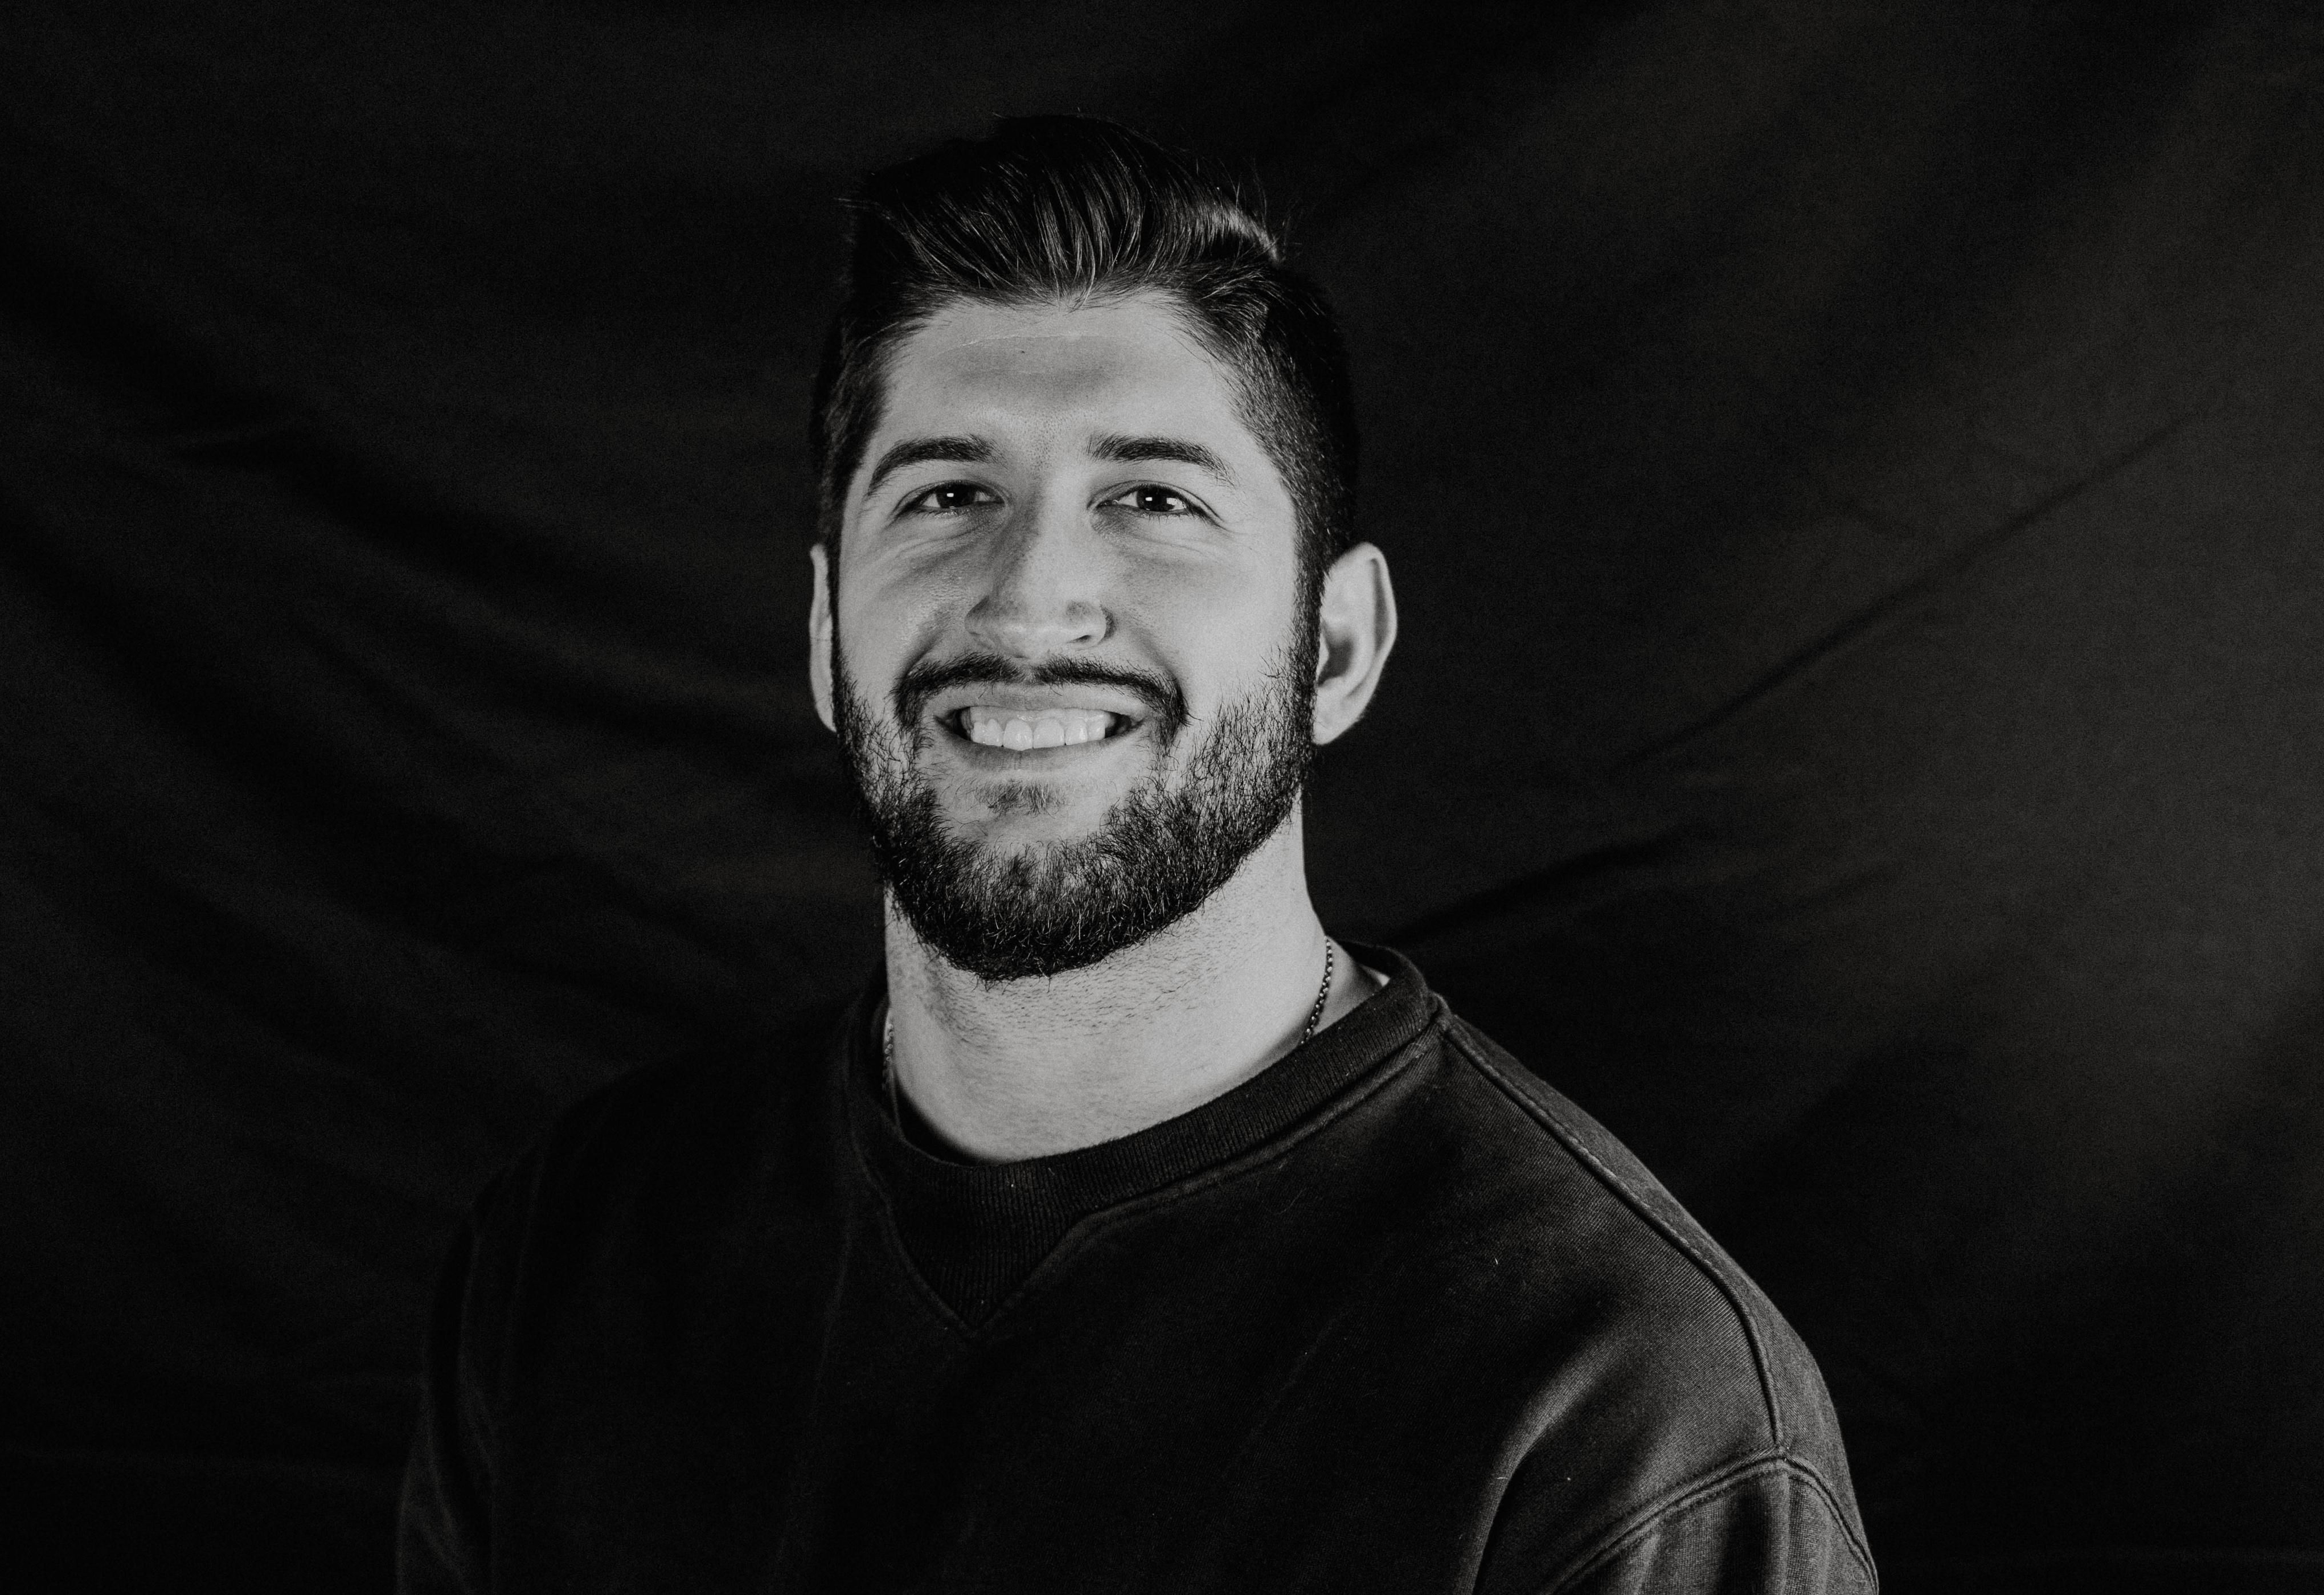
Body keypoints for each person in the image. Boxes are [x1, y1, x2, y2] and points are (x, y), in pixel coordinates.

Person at [397, 116, 1874, 1594]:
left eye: (1155, 499)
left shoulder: (1616, 1412)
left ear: (1335, 649)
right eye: (948, 494)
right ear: (826, 630)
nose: (1031, 600)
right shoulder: (578, 1251)